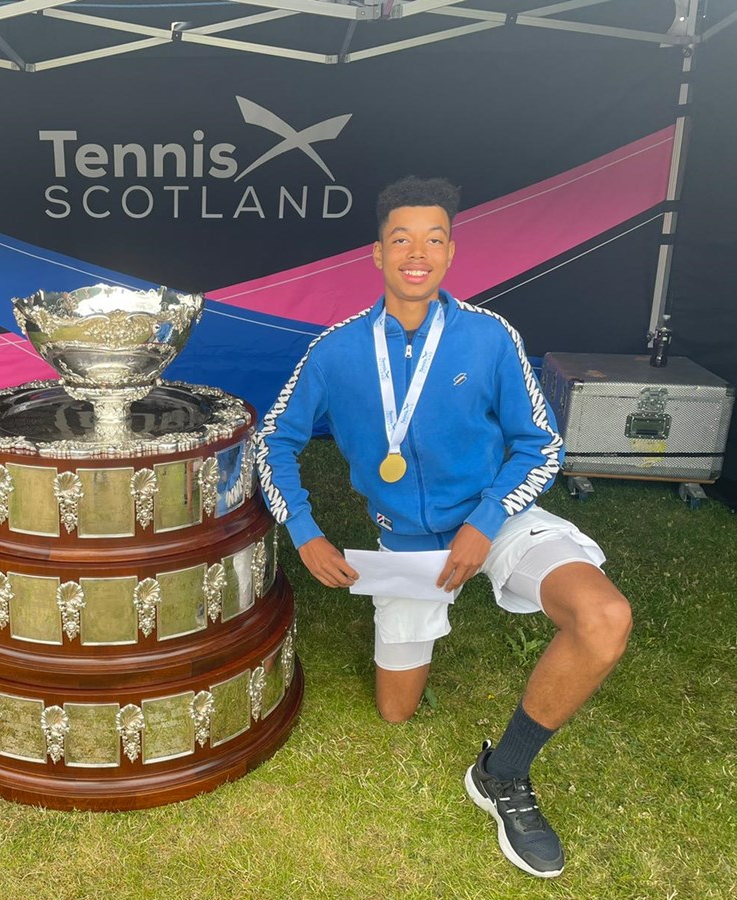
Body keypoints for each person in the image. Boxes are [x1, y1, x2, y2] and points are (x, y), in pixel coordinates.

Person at [255, 176, 632, 879]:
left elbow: (541, 443)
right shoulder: (336, 351)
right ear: (377, 253)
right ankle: (419, 635)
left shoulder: (490, 338)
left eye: (433, 238)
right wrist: (303, 529)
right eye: (401, 239)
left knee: (604, 617)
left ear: (452, 252)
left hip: (501, 519)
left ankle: (503, 773)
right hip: (404, 546)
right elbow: (273, 438)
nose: (417, 252)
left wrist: (486, 522)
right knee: (396, 711)